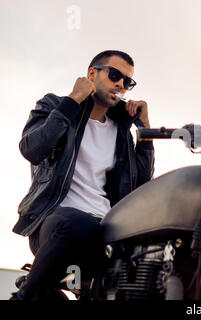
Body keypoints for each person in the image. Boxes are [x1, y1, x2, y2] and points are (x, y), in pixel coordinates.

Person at [10, 50, 155, 299]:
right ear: (92, 74)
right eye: (114, 75)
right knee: (74, 222)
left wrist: (145, 128)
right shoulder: (55, 106)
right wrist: (73, 100)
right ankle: (25, 295)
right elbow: (32, 148)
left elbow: (141, 183)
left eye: (127, 82)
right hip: (53, 222)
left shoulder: (121, 130)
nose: (121, 84)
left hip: (106, 229)